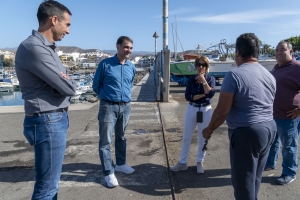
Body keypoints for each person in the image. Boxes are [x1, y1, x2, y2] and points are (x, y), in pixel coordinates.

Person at [202, 33, 276, 200]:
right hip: (269, 128)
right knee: (255, 178)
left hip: (246, 132)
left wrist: (209, 129)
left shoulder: (234, 75)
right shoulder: (269, 75)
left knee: (243, 184)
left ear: (237, 52)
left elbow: (222, 111)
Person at [15, 1, 77, 199]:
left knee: (52, 183)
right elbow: (70, 87)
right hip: (47, 121)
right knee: (47, 187)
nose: (68, 31)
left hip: (52, 119)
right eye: (67, 25)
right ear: (54, 20)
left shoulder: (48, 48)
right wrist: (64, 80)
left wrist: (63, 79)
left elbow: (66, 80)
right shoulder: (34, 48)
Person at [92, 36, 136, 188]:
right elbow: (96, 85)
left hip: (126, 106)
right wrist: (107, 97)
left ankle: (121, 164)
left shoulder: (131, 66)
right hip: (108, 106)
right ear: (117, 47)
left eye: (130, 48)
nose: (128, 50)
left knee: (121, 136)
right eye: (125, 47)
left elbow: (130, 84)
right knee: (105, 141)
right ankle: (108, 172)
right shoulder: (105, 64)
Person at [170, 55, 215, 174]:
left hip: (205, 111)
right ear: (195, 66)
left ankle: (199, 161)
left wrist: (204, 81)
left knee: (203, 137)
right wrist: (204, 94)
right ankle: (182, 162)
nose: (201, 67)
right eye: (199, 64)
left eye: (203, 65)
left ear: (206, 67)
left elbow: (211, 94)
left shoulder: (211, 79)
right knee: (186, 137)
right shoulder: (191, 80)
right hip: (192, 109)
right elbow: (188, 97)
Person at [264, 41, 300, 185]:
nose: (278, 53)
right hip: (273, 115)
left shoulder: (297, 68)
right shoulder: (276, 68)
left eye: (282, 50)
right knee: (272, 142)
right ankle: (270, 163)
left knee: (289, 146)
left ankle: (289, 173)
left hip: (289, 116)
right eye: (277, 50)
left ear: (290, 52)